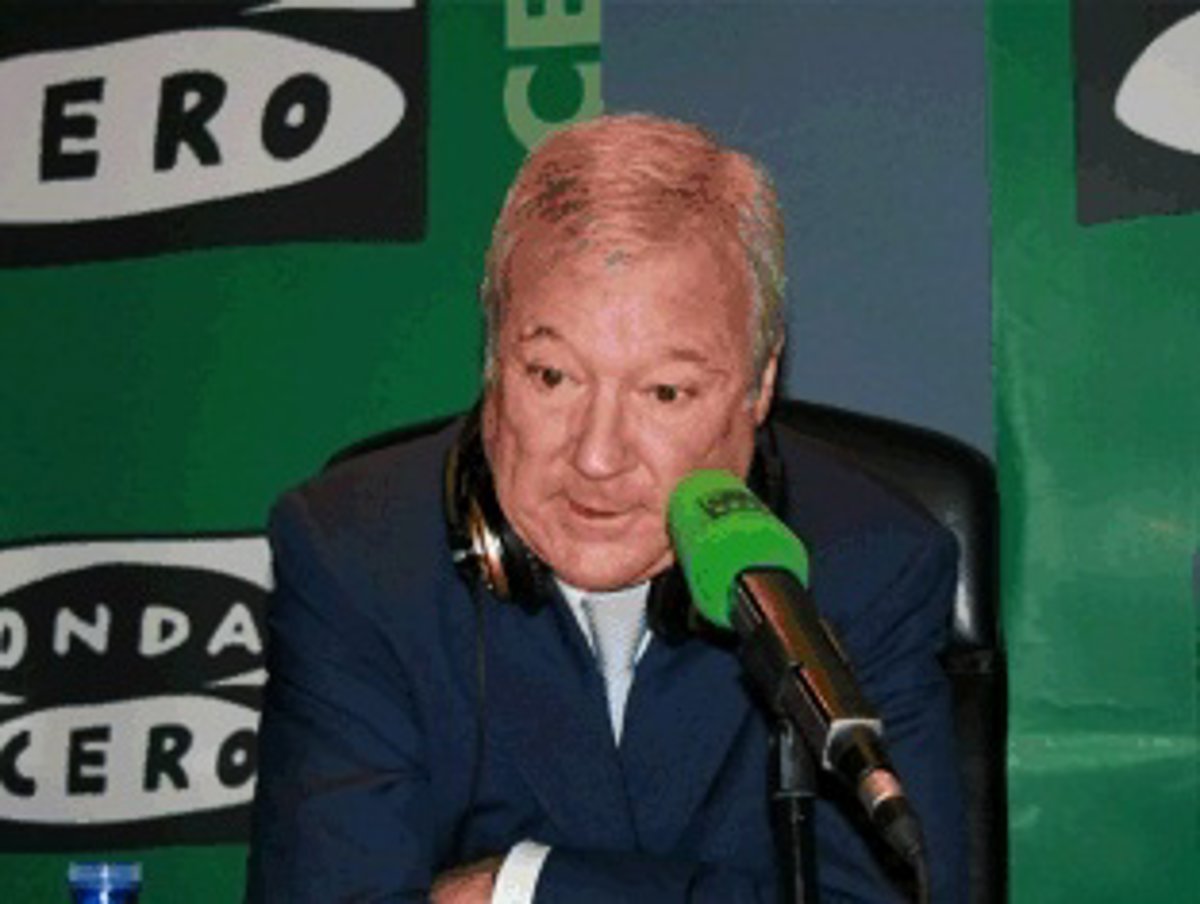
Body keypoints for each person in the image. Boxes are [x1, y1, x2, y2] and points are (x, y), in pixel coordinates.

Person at [246, 113, 967, 903]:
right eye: (552, 376)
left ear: (759, 385)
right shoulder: (358, 555)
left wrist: (521, 887)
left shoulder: (870, 566)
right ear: (493, 357)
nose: (596, 455)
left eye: (665, 392)